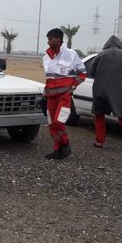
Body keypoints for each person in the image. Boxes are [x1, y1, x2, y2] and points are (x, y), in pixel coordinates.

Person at [89, 35, 122, 148]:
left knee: (99, 115)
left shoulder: (100, 54)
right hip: (119, 89)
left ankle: (100, 141)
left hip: (100, 89)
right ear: (120, 45)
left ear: (106, 45)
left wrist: (101, 77)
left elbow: (92, 71)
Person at [42, 28, 86, 159]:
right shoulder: (46, 57)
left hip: (64, 96)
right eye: (48, 39)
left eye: (50, 38)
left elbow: (82, 73)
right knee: (51, 124)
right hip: (50, 96)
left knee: (59, 122)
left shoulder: (71, 55)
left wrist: (72, 87)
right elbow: (49, 78)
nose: (48, 41)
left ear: (58, 39)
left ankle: (65, 145)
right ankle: (57, 149)